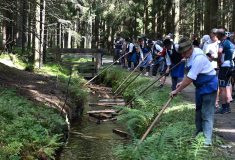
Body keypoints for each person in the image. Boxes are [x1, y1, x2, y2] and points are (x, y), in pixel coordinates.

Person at [170, 37, 218, 145]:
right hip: (200, 87)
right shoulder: (192, 54)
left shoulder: (198, 57)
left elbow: (191, 78)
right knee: (198, 112)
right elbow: (191, 73)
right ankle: (198, 136)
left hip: (209, 87)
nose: (182, 56)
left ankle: (206, 142)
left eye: (183, 53)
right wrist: (181, 83)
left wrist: (177, 90)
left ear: (190, 49)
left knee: (207, 114)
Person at [216, 28, 234, 114]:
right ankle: (228, 107)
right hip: (231, 66)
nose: (216, 36)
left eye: (217, 35)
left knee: (222, 88)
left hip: (224, 67)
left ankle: (224, 108)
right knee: (227, 86)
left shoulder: (222, 43)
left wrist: (218, 61)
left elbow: (219, 52)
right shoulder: (231, 43)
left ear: (220, 35)